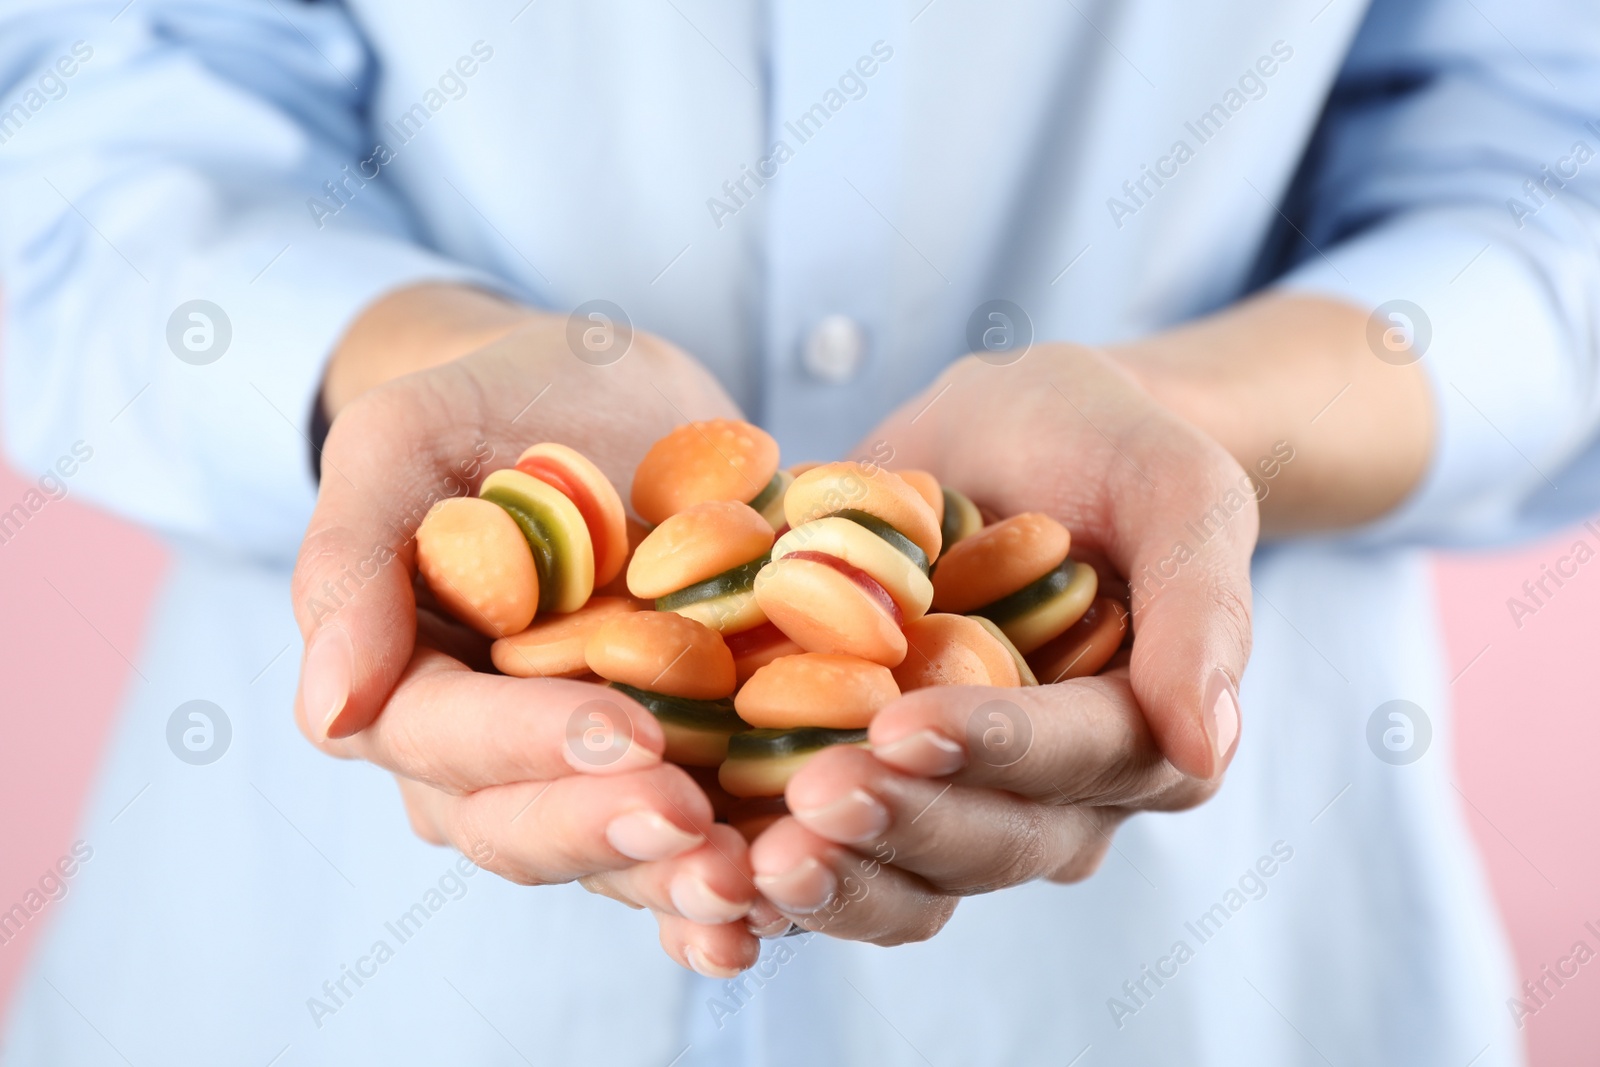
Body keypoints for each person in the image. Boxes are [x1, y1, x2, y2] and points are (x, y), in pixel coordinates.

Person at [2, 0, 1595, 1063]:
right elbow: (77, 130)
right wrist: (405, 377)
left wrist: (1206, 424)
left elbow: (1554, 174)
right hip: (310, 972)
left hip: (1210, 973)